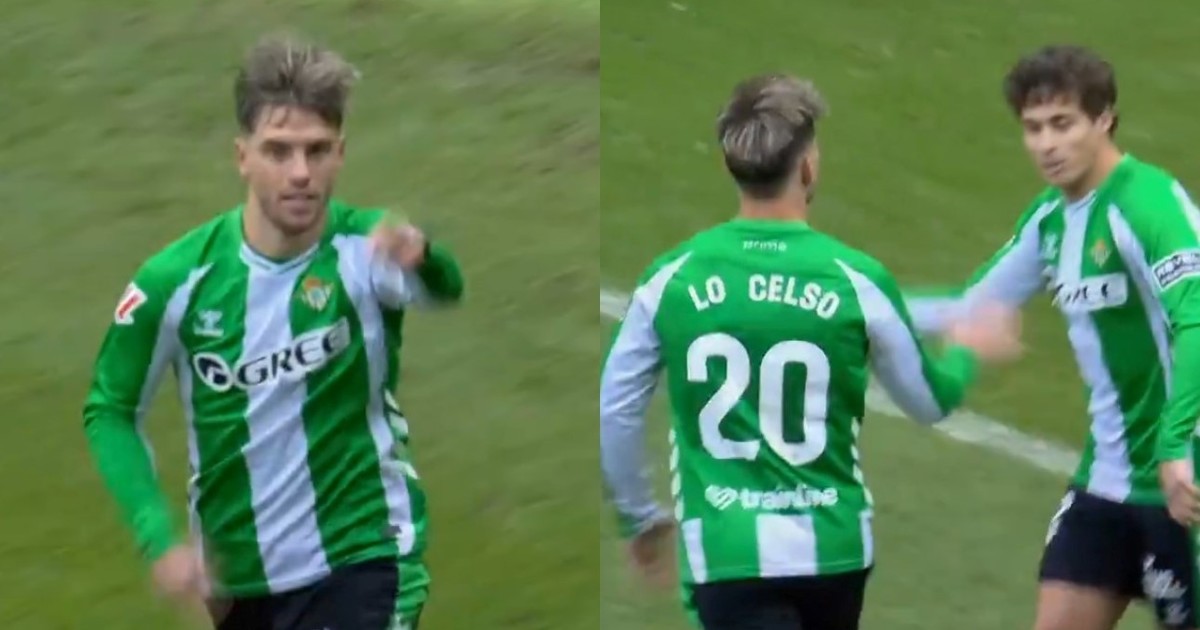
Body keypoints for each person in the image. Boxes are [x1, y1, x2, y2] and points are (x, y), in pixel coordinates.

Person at [599, 73, 1022, 630]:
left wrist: (638, 517)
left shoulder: (670, 281)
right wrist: (965, 348)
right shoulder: (857, 280)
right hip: (834, 555)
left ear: (732, 165)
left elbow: (616, 408)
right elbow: (929, 401)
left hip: (727, 556)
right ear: (807, 167)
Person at [82, 33, 464, 630]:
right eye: (278, 151)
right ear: (243, 157)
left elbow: (446, 289)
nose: (301, 173)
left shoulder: (365, 250)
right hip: (240, 581)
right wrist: (158, 537)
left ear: (341, 153)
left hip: (364, 554)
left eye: (317, 151)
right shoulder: (176, 282)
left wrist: (426, 256)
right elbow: (110, 409)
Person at [904, 44, 1200, 630]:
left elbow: (1196, 319)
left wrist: (1173, 445)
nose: (1046, 144)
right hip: (1105, 484)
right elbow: (972, 309)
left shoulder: (1148, 204)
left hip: (1183, 482)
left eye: (1063, 124)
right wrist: (847, 311)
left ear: (1104, 119)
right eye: (1034, 128)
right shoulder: (1050, 223)